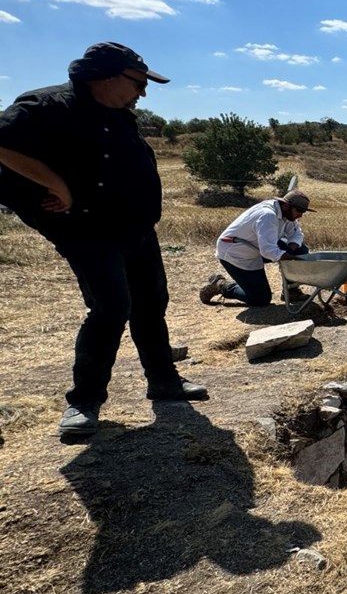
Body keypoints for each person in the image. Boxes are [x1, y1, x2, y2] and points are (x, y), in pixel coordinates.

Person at [0, 42, 208, 436]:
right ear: (107, 75)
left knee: (150, 304)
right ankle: (84, 400)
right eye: (138, 82)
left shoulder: (119, 114)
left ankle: (164, 381)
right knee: (112, 306)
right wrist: (56, 184)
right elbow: (4, 143)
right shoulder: (47, 106)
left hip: (136, 229)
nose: (142, 92)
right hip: (88, 231)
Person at [199, 190, 312, 306]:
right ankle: (221, 285)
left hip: (255, 247)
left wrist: (290, 250)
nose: (301, 215)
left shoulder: (285, 213)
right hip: (236, 253)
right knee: (260, 299)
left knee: (300, 250)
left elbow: (297, 234)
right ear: (286, 206)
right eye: (299, 211)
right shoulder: (268, 215)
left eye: (303, 212)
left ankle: (291, 291)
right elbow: (268, 251)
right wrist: (294, 259)